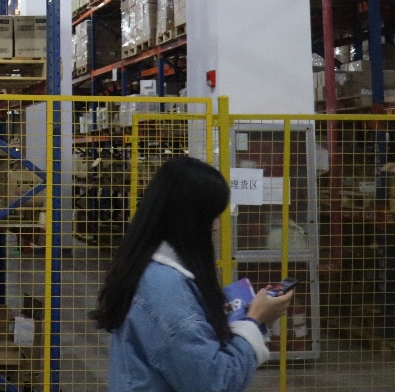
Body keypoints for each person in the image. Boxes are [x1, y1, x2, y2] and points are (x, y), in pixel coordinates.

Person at [91, 156, 294, 392]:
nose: (216, 226)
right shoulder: (166, 290)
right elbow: (214, 382)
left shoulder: (146, 267)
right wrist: (254, 320)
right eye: (212, 217)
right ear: (190, 219)